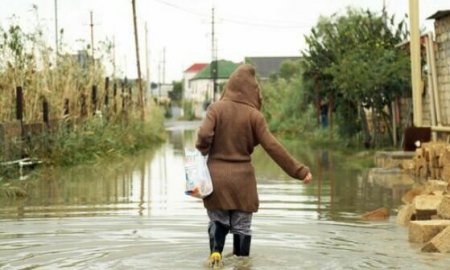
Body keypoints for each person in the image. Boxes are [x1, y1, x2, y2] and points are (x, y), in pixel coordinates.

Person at [195, 64, 312, 267]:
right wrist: (299, 171)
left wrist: (203, 148)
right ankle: (241, 264)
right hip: (243, 184)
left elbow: (204, 135)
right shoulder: (254, 116)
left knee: (218, 220)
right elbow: (273, 147)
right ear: (253, 91)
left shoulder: (216, 108)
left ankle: (215, 253)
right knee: (242, 228)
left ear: (229, 87)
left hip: (216, 183)